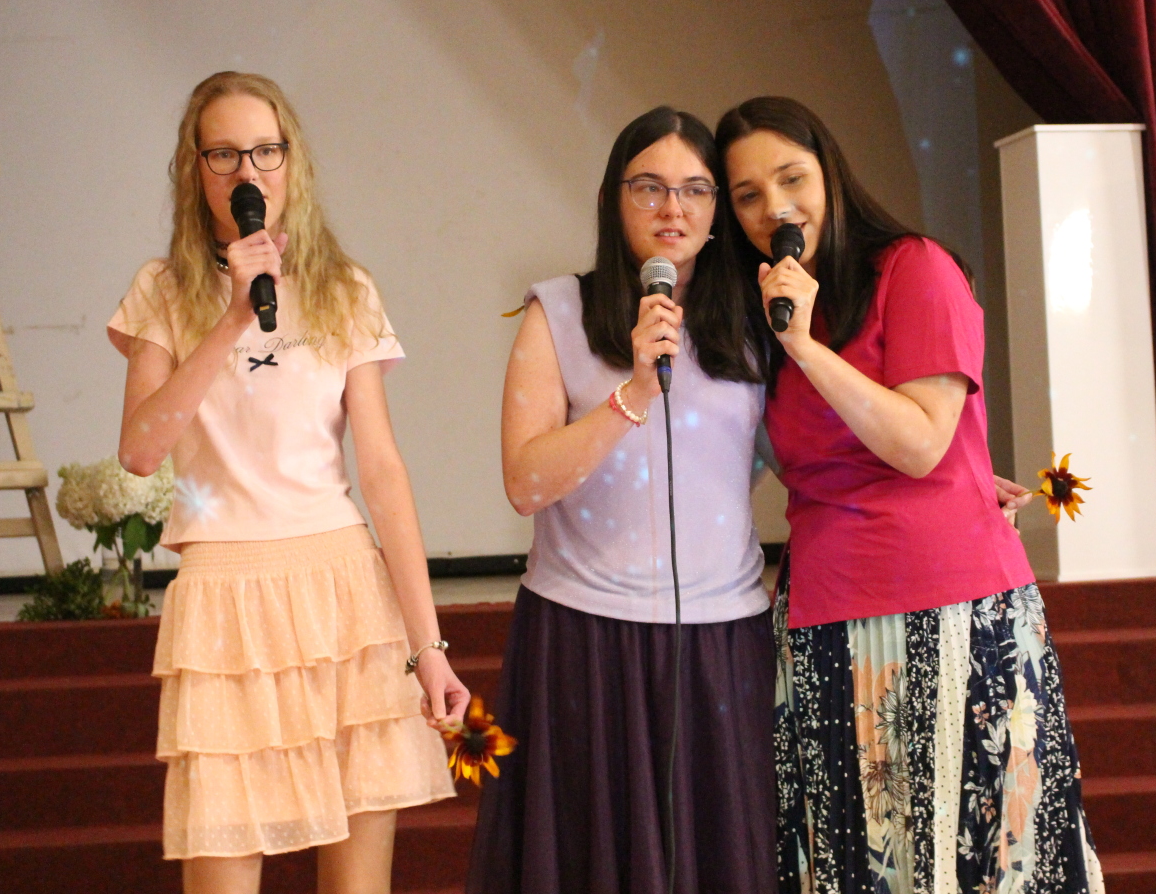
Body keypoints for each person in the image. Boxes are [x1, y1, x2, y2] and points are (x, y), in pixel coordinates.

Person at [717, 97, 1103, 894]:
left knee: (983, 856)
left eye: (792, 179)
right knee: (855, 863)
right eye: (748, 195)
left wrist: (805, 347)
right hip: (825, 616)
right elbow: (790, 459)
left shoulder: (913, 267)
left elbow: (922, 444)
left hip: (952, 608)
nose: (774, 209)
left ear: (830, 173)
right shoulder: (765, 308)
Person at [109, 71, 467, 894]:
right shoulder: (163, 291)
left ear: (291, 162)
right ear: (195, 169)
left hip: (344, 590)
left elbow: (382, 472)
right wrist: (232, 316)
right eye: (225, 154)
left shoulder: (345, 288)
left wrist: (429, 649)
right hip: (224, 597)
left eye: (265, 151)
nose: (248, 172)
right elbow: (139, 450)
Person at [467, 106, 777, 894]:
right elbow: (524, 483)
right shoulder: (559, 313)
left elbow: (800, 452)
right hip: (584, 638)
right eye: (650, 187)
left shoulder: (753, 321)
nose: (673, 209)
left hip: (720, 641)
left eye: (695, 190)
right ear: (613, 199)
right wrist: (633, 394)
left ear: (717, 210)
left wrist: (948, 482)